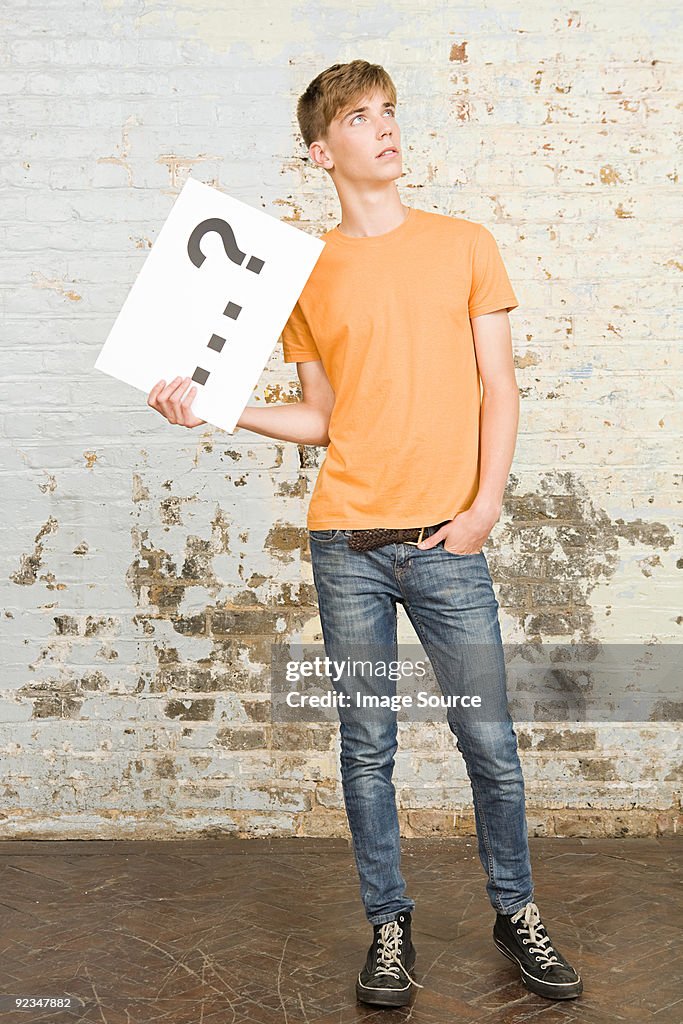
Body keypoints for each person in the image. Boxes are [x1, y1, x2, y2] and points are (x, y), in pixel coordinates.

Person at [147, 59, 583, 1010]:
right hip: (346, 545)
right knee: (366, 749)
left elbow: (498, 387)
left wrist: (484, 507)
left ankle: (516, 912)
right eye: (359, 117)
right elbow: (321, 419)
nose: (383, 127)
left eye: (389, 112)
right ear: (320, 149)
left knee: (491, 746)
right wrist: (217, 407)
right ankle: (389, 928)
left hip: (446, 539)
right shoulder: (306, 272)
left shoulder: (465, 243)